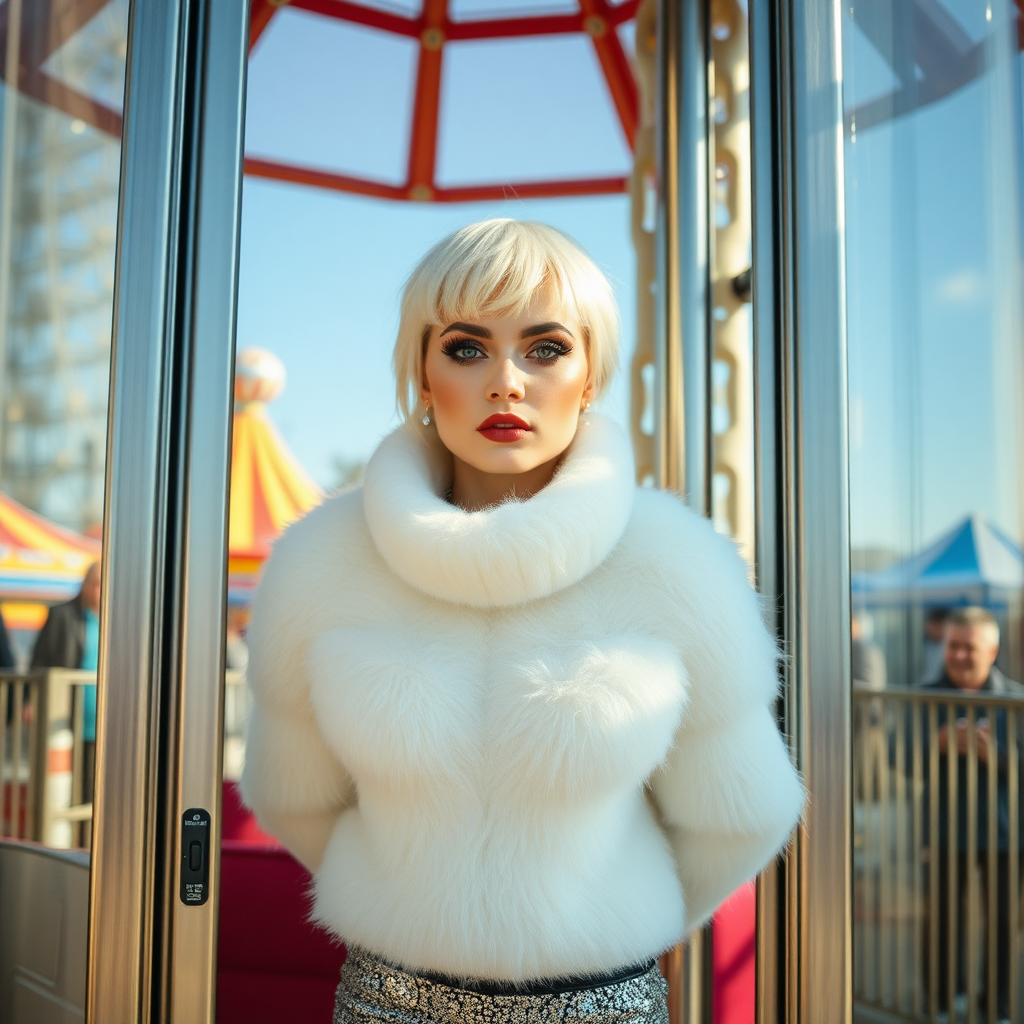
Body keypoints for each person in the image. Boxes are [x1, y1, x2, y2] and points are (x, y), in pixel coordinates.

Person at [240, 220, 804, 1024]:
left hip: (602, 1007)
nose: (507, 381)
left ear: (590, 375)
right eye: (468, 348)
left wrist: (604, 932)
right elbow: (291, 793)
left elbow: (738, 813)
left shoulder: (676, 564)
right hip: (388, 1003)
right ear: (423, 375)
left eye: (545, 348)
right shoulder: (321, 562)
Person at [919, 607, 1024, 1021]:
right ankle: (944, 1000)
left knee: (1002, 926)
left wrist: (999, 759)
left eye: (970, 648)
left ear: (993, 650)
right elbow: (892, 756)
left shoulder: (1016, 699)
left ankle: (996, 1005)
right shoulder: (923, 694)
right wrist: (936, 745)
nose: (960, 656)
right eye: (953, 646)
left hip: (1005, 834)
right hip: (943, 830)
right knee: (942, 920)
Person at [31, 560, 101, 802]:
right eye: (95, 583)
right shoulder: (62, 615)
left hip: (103, 725)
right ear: (85, 584)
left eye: (104, 584)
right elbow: (39, 660)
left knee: (96, 793)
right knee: (61, 793)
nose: (99, 590)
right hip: (64, 720)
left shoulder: (121, 621)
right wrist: (32, 701)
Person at [922, 606, 949, 684]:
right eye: (929, 624)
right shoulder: (927, 645)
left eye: (934, 625)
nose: (929, 628)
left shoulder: (946, 648)